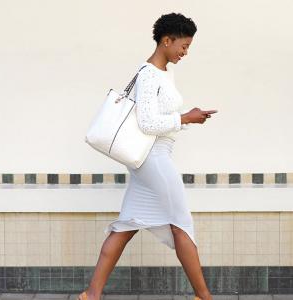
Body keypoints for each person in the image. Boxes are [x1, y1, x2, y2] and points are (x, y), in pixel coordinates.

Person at [78, 12, 218, 300]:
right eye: (183, 45)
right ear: (166, 40)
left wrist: (186, 117)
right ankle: (204, 297)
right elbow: (147, 123)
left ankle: (91, 295)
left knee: (126, 225)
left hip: (150, 160)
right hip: (153, 159)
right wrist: (186, 119)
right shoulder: (147, 74)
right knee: (182, 225)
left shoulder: (165, 72)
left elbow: (159, 116)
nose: (186, 52)